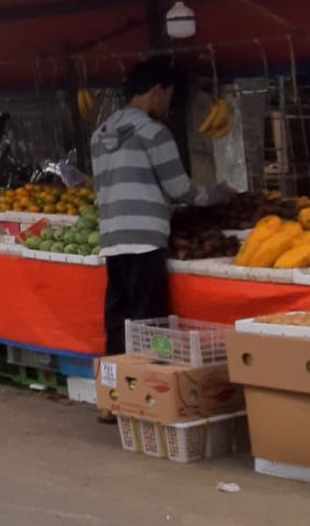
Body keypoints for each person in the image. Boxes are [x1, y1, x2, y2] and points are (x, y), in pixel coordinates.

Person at [92, 58, 225, 380]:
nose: (167, 103)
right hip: (145, 240)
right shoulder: (154, 133)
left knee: (118, 320)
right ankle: (147, 387)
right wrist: (219, 194)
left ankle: (115, 390)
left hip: (112, 238)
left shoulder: (100, 135)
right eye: (168, 95)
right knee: (148, 322)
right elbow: (180, 188)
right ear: (156, 91)